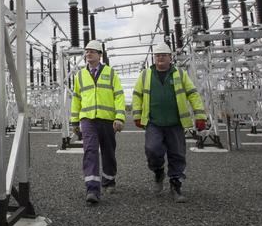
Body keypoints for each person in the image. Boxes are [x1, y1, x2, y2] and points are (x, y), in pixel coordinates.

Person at [132, 43, 206, 203]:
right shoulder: (146, 75)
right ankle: (158, 171)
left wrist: (200, 115)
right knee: (152, 149)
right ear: (154, 58)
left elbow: (192, 94)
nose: (160, 58)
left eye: (164, 55)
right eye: (158, 56)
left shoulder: (179, 73)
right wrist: (137, 115)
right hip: (154, 122)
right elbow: (137, 95)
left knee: (177, 154)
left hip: (175, 122)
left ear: (170, 57)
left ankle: (176, 184)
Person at [70, 40, 125, 204]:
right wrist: (74, 121)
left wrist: (120, 117)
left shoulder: (110, 73)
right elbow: (76, 99)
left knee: (108, 151)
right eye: (86, 52)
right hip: (88, 120)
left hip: (108, 119)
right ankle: (92, 189)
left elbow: (119, 95)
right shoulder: (80, 75)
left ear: (100, 55)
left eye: (92, 51)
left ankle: (109, 180)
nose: (88, 54)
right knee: (90, 151)